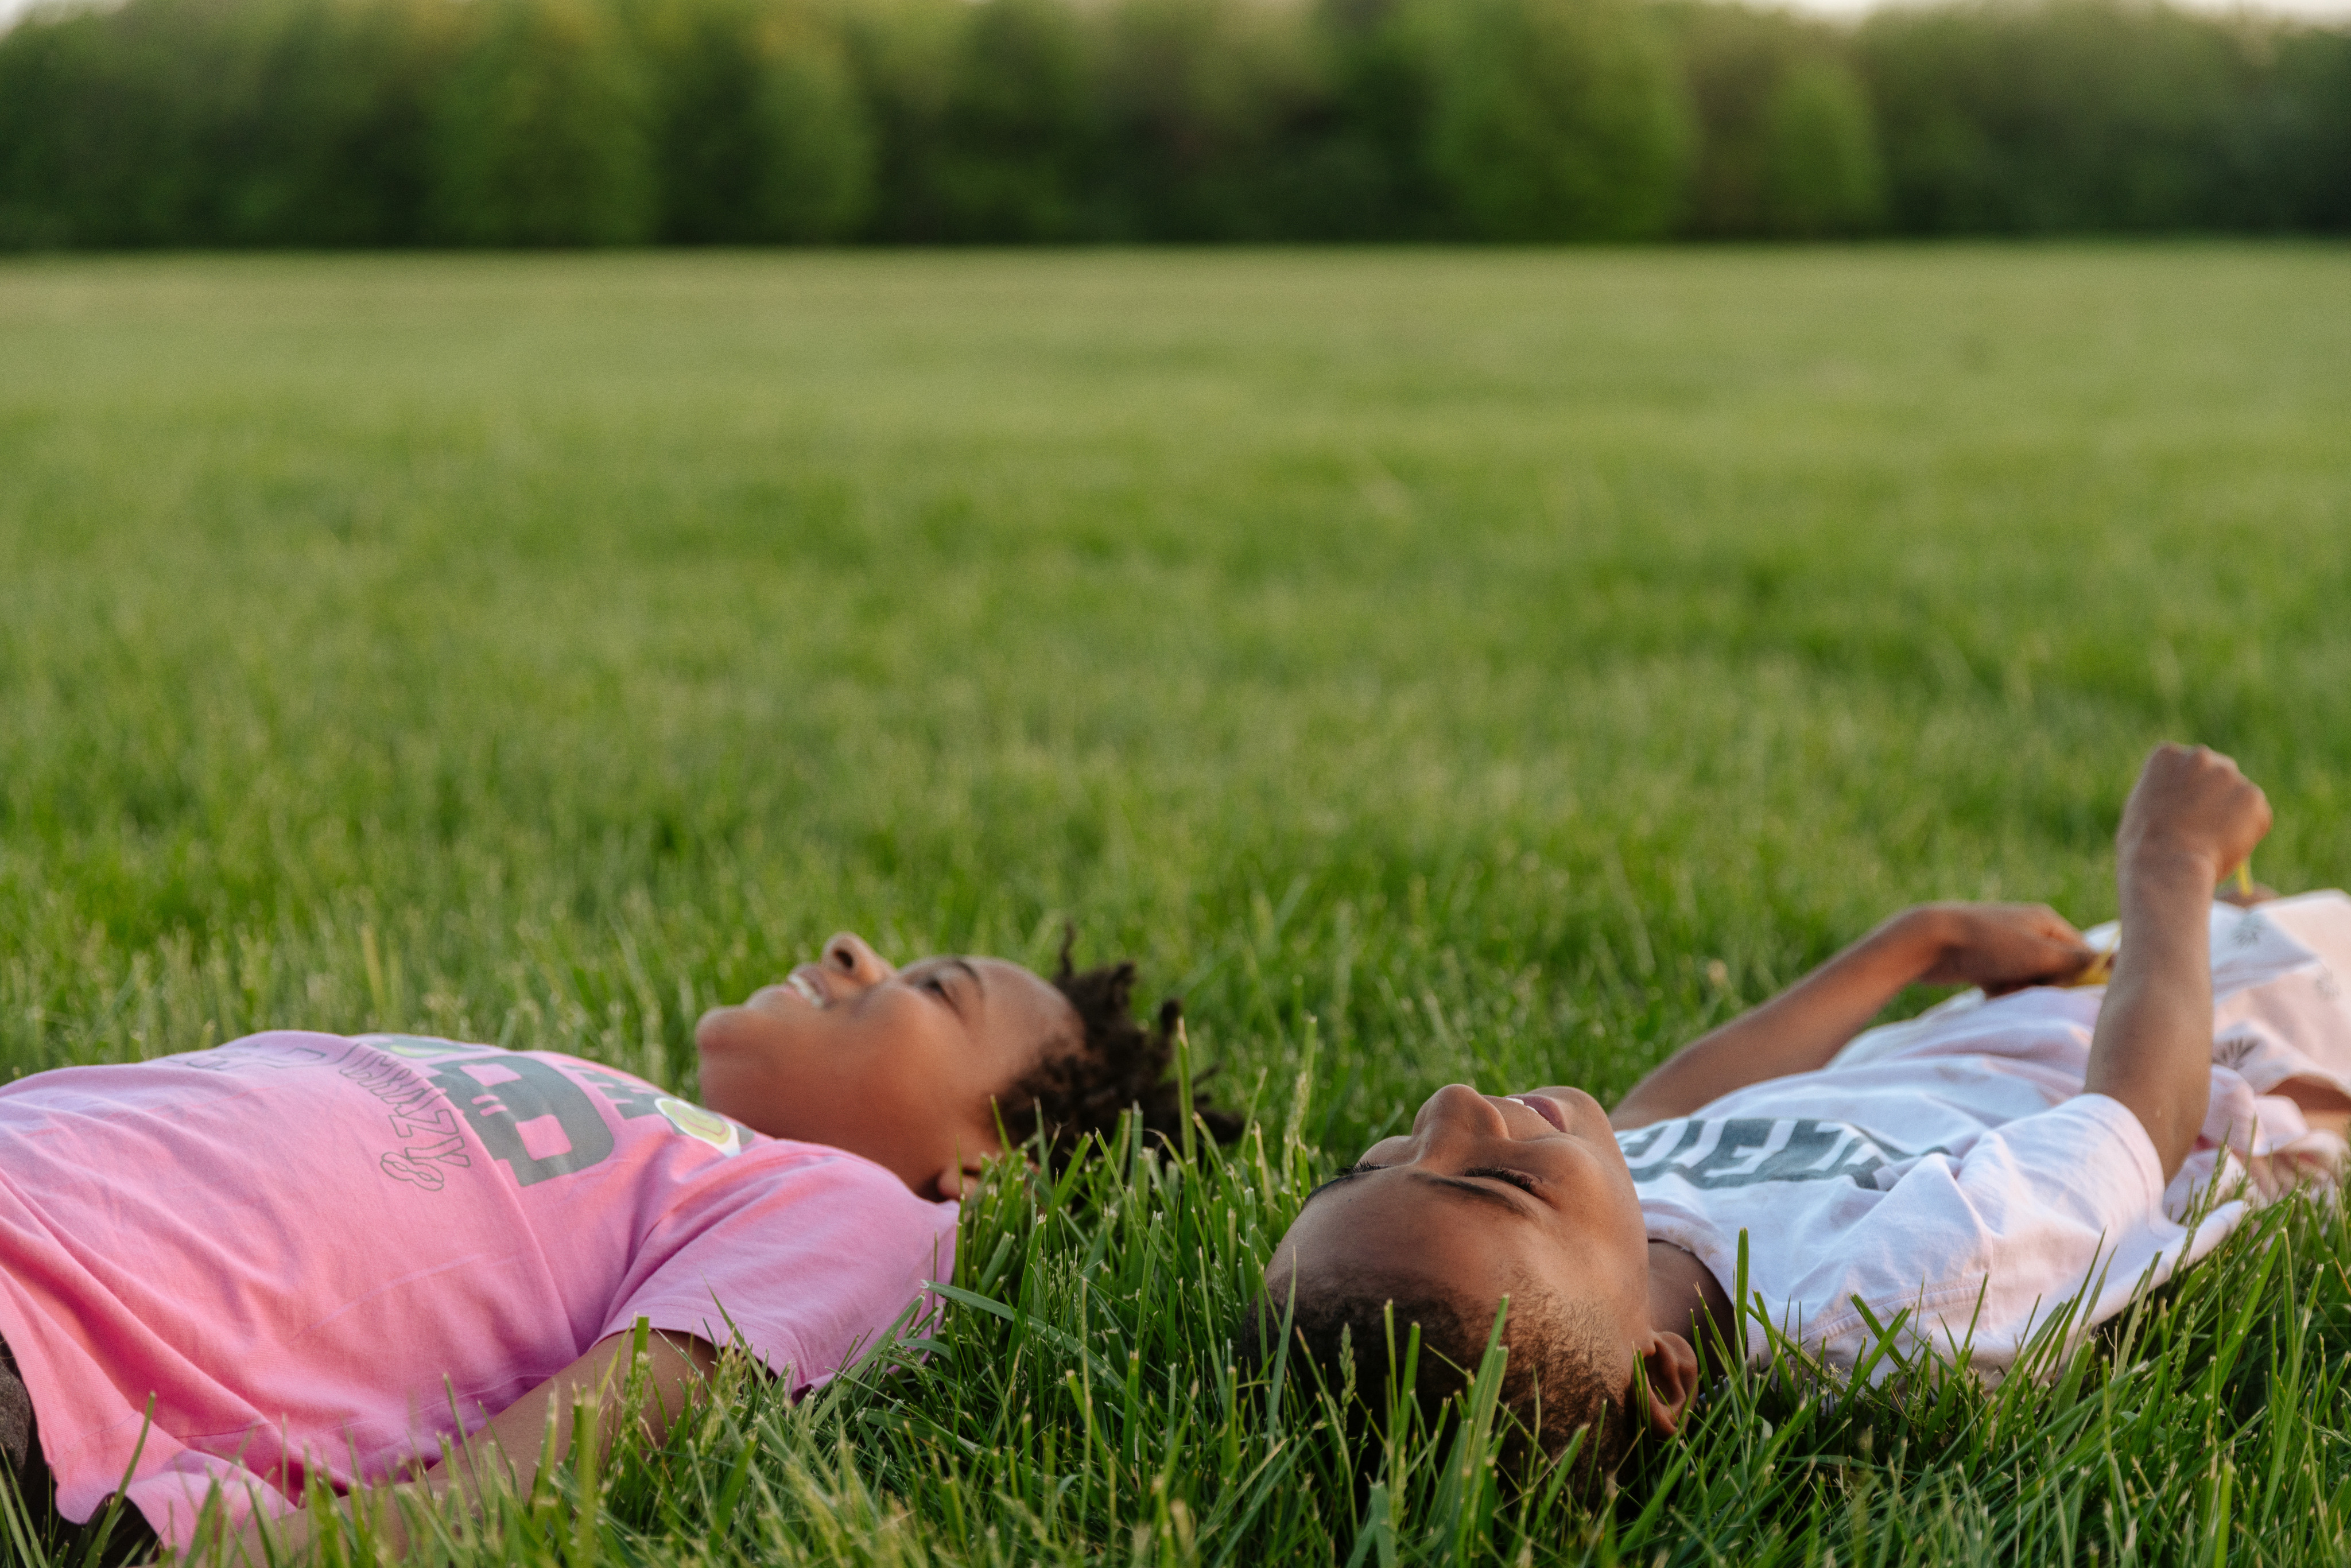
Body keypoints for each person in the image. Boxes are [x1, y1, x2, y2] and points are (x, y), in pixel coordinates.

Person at [1251, 744, 2351, 1486]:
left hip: (2063, 1001)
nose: (1448, 1109)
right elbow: (2135, 1129)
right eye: (1496, 1179)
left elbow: (1672, 1112)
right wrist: (2171, 865)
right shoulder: (1889, 1295)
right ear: (1664, 1374)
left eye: (1375, 1163)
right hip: (2250, 1041)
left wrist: (1915, 945)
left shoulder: (1621, 1234)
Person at [0, 932, 1229, 1559]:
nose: (857, 951)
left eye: (934, 984)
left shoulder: (863, 1209)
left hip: (48, 1346)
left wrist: (362, 1543)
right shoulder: (655, 1134)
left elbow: (648, 1388)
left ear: (978, 1171)